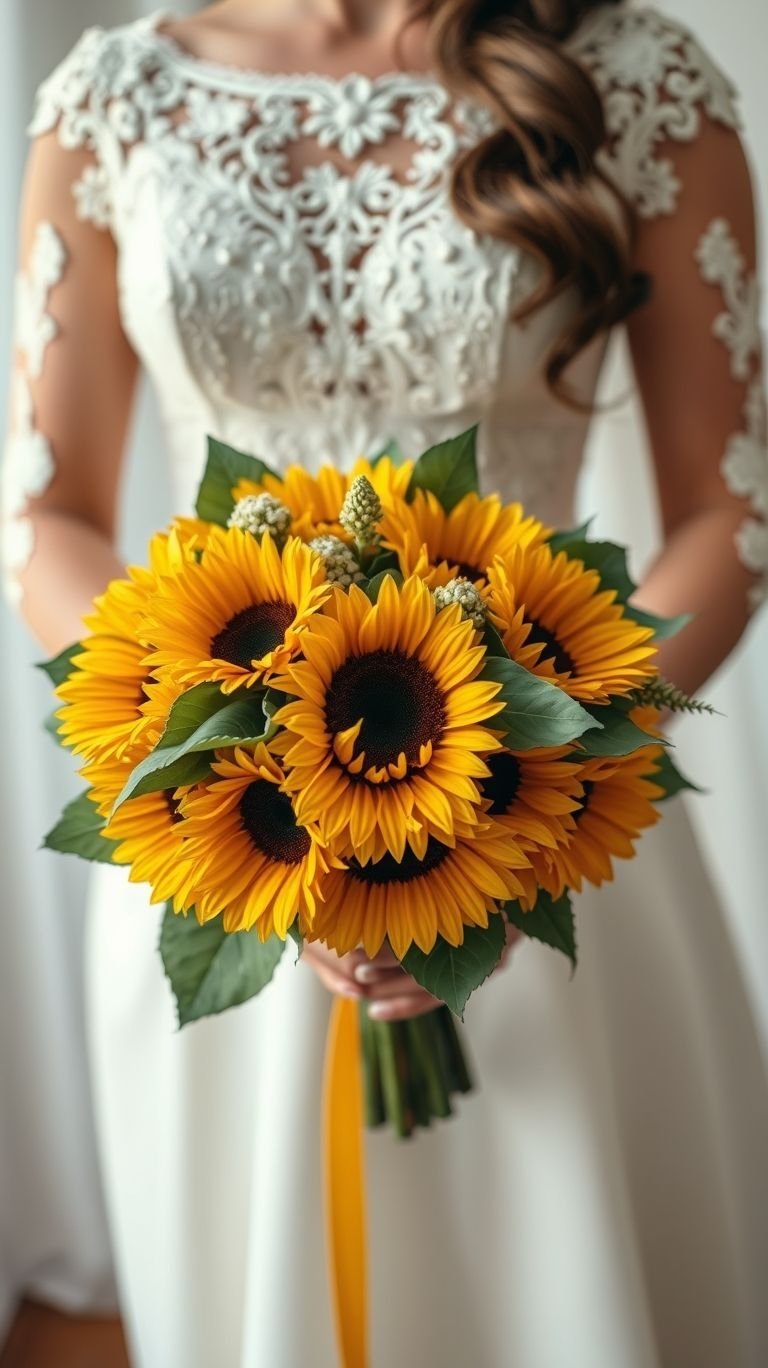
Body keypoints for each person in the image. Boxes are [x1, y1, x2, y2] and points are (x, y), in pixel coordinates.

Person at [4, 0, 768, 1363]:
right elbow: (44, 512)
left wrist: (531, 781)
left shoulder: (641, 83)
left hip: (554, 825)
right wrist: (209, 745)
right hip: (222, 845)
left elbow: (734, 509)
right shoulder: (114, 98)